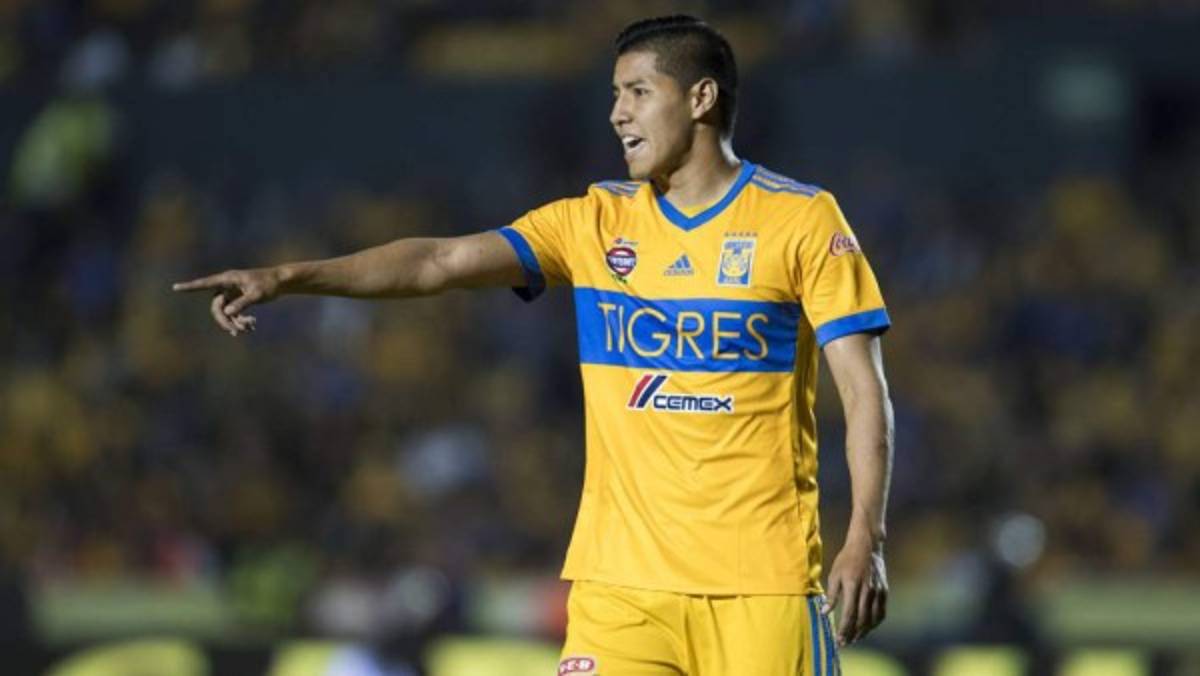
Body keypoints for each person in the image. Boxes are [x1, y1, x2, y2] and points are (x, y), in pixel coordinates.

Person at [175, 15, 894, 676]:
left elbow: (865, 395)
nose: (617, 114)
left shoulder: (800, 221)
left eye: (638, 92)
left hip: (761, 584)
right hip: (620, 589)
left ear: (701, 98)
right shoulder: (593, 221)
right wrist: (289, 276)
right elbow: (439, 261)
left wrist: (866, 536)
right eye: (615, 95)